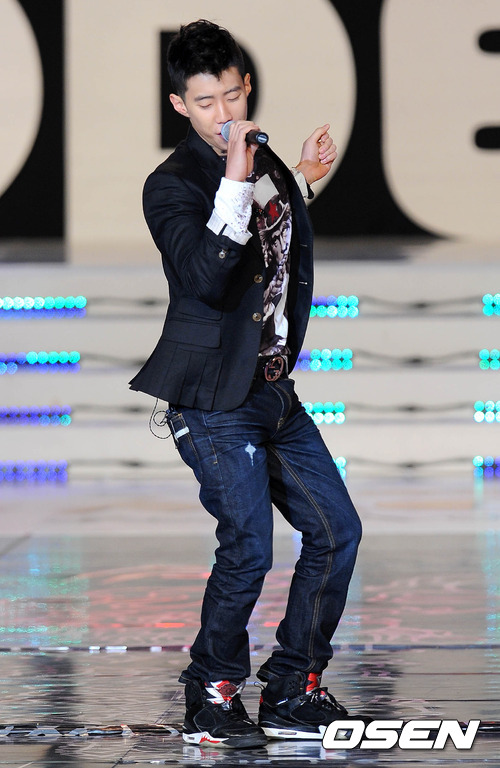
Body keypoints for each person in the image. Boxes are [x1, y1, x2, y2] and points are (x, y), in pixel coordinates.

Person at [130, 19, 364, 749]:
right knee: (249, 548)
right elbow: (205, 275)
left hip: (270, 391)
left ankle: (292, 686)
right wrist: (234, 176)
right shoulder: (170, 185)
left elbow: (267, 241)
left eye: (232, 95)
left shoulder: (263, 162)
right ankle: (211, 691)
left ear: (247, 86)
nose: (223, 113)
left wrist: (301, 179)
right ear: (180, 105)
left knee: (337, 531)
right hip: (210, 399)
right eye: (205, 102)